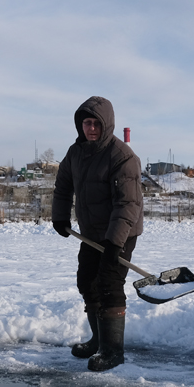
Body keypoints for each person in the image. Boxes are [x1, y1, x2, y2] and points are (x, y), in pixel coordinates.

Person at [51, 96, 143, 371]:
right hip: (91, 232)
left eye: (95, 123)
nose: (90, 128)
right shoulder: (75, 152)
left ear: (107, 125)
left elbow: (128, 204)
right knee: (86, 281)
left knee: (109, 283)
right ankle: (98, 340)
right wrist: (59, 215)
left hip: (121, 232)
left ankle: (113, 351)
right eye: (86, 122)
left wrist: (115, 243)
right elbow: (63, 185)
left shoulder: (123, 157)